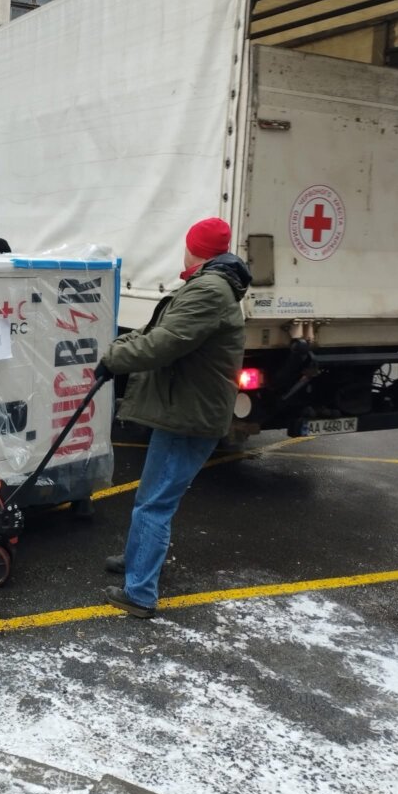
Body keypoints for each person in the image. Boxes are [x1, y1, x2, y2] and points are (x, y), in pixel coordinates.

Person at [94, 217, 251, 618]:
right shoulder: (209, 286)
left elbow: (164, 343)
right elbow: (155, 329)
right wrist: (117, 346)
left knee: (155, 503)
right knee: (151, 496)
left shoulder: (209, 291)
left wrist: (113, 359)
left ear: (193, 248)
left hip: (189, 417)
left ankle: (139, 593)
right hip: (185, 409)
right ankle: (136, 561)